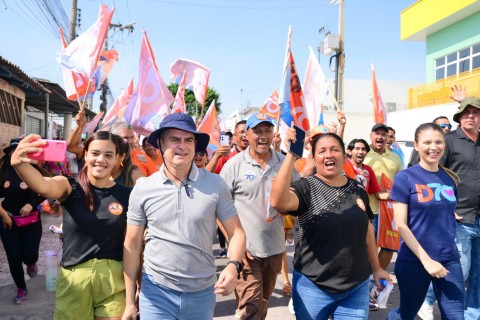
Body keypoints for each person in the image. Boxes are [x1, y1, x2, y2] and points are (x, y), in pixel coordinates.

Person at [122, 113, 246, 320]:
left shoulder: (215, 185)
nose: (182, 145)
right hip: (156, 292)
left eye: (188, 140)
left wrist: (233, 266)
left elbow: (237, 233)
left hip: (202, 293)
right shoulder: (143, 188)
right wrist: (128, 302)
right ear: (160, 143)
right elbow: (132, 244)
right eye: (174, 139)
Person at [10, 131, 132, 319]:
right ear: (85, 154)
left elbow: (133, 243)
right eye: (95, 153)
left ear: (118, 158)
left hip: (113, 279)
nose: (101, 160)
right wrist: (19, 162)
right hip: (75, 278)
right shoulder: (69, 186)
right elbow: (43, 186)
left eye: (109, 155)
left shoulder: (128, 195)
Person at [270, 129, 390, 319]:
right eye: (322, 151)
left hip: (355, 287)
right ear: (314, 157)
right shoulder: (305, 187)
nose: (329, 155)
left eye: (334, 150)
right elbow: (278, 201)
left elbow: (367, 228)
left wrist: (376, 268)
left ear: (344, 156)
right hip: (313, 286)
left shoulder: (357, 188)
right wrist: (291, 156)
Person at [220, 112, 298, 320]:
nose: (263, 136)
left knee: (261, 302)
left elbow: (299, 196)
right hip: (247, 251)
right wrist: (234, 244)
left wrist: (288, 206)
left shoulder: (284, 162)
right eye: (257, 131)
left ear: (273, 134)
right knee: (251, 306)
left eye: (267, 131)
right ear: (247, 135)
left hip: (274, 249)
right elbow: (218, 208)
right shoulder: (234, 165)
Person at [387, 123, 464, 320]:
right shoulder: (405, 178)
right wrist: (426, 260)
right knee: (407, 313)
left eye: (438, 142)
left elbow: (445, 212)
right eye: (427, 142)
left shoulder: (450, 178)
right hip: (414, 259)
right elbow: (401, 224)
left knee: (456, 316)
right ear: (416, 145)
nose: (433, 147)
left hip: (449, 258)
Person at [439, 97, 480, 320]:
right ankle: (448, 314)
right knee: (458, 274)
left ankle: (472, 315)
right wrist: (446, 206)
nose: (471, 116)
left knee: (479, 276)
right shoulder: (449, 141)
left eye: (475, 112)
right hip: (460, 217)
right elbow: (435, 174)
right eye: (466, 112)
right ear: (459, 117)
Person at [0, 138, 48, 304]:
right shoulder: (3, 172)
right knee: (13, 257)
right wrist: (4, 214)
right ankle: (21, 288)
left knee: (29, 255)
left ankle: (31, 263)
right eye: (16, 149)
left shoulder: (34, 170)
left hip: (32, 222)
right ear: (11, 152)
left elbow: (48, 191)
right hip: (8, 222)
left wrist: (31, 204)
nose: (19, 152)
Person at [364, 123, 402, 270]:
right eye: (377, 133)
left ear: (388, 138)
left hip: (389, 210)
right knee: (368, 245)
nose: (380, 137)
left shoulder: (395, 158)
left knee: (389, 246)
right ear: (371, 136)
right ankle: (365, 278)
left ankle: (376, 276)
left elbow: (400, 183)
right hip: (368, 209)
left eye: (383, 134)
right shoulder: (362, 154)